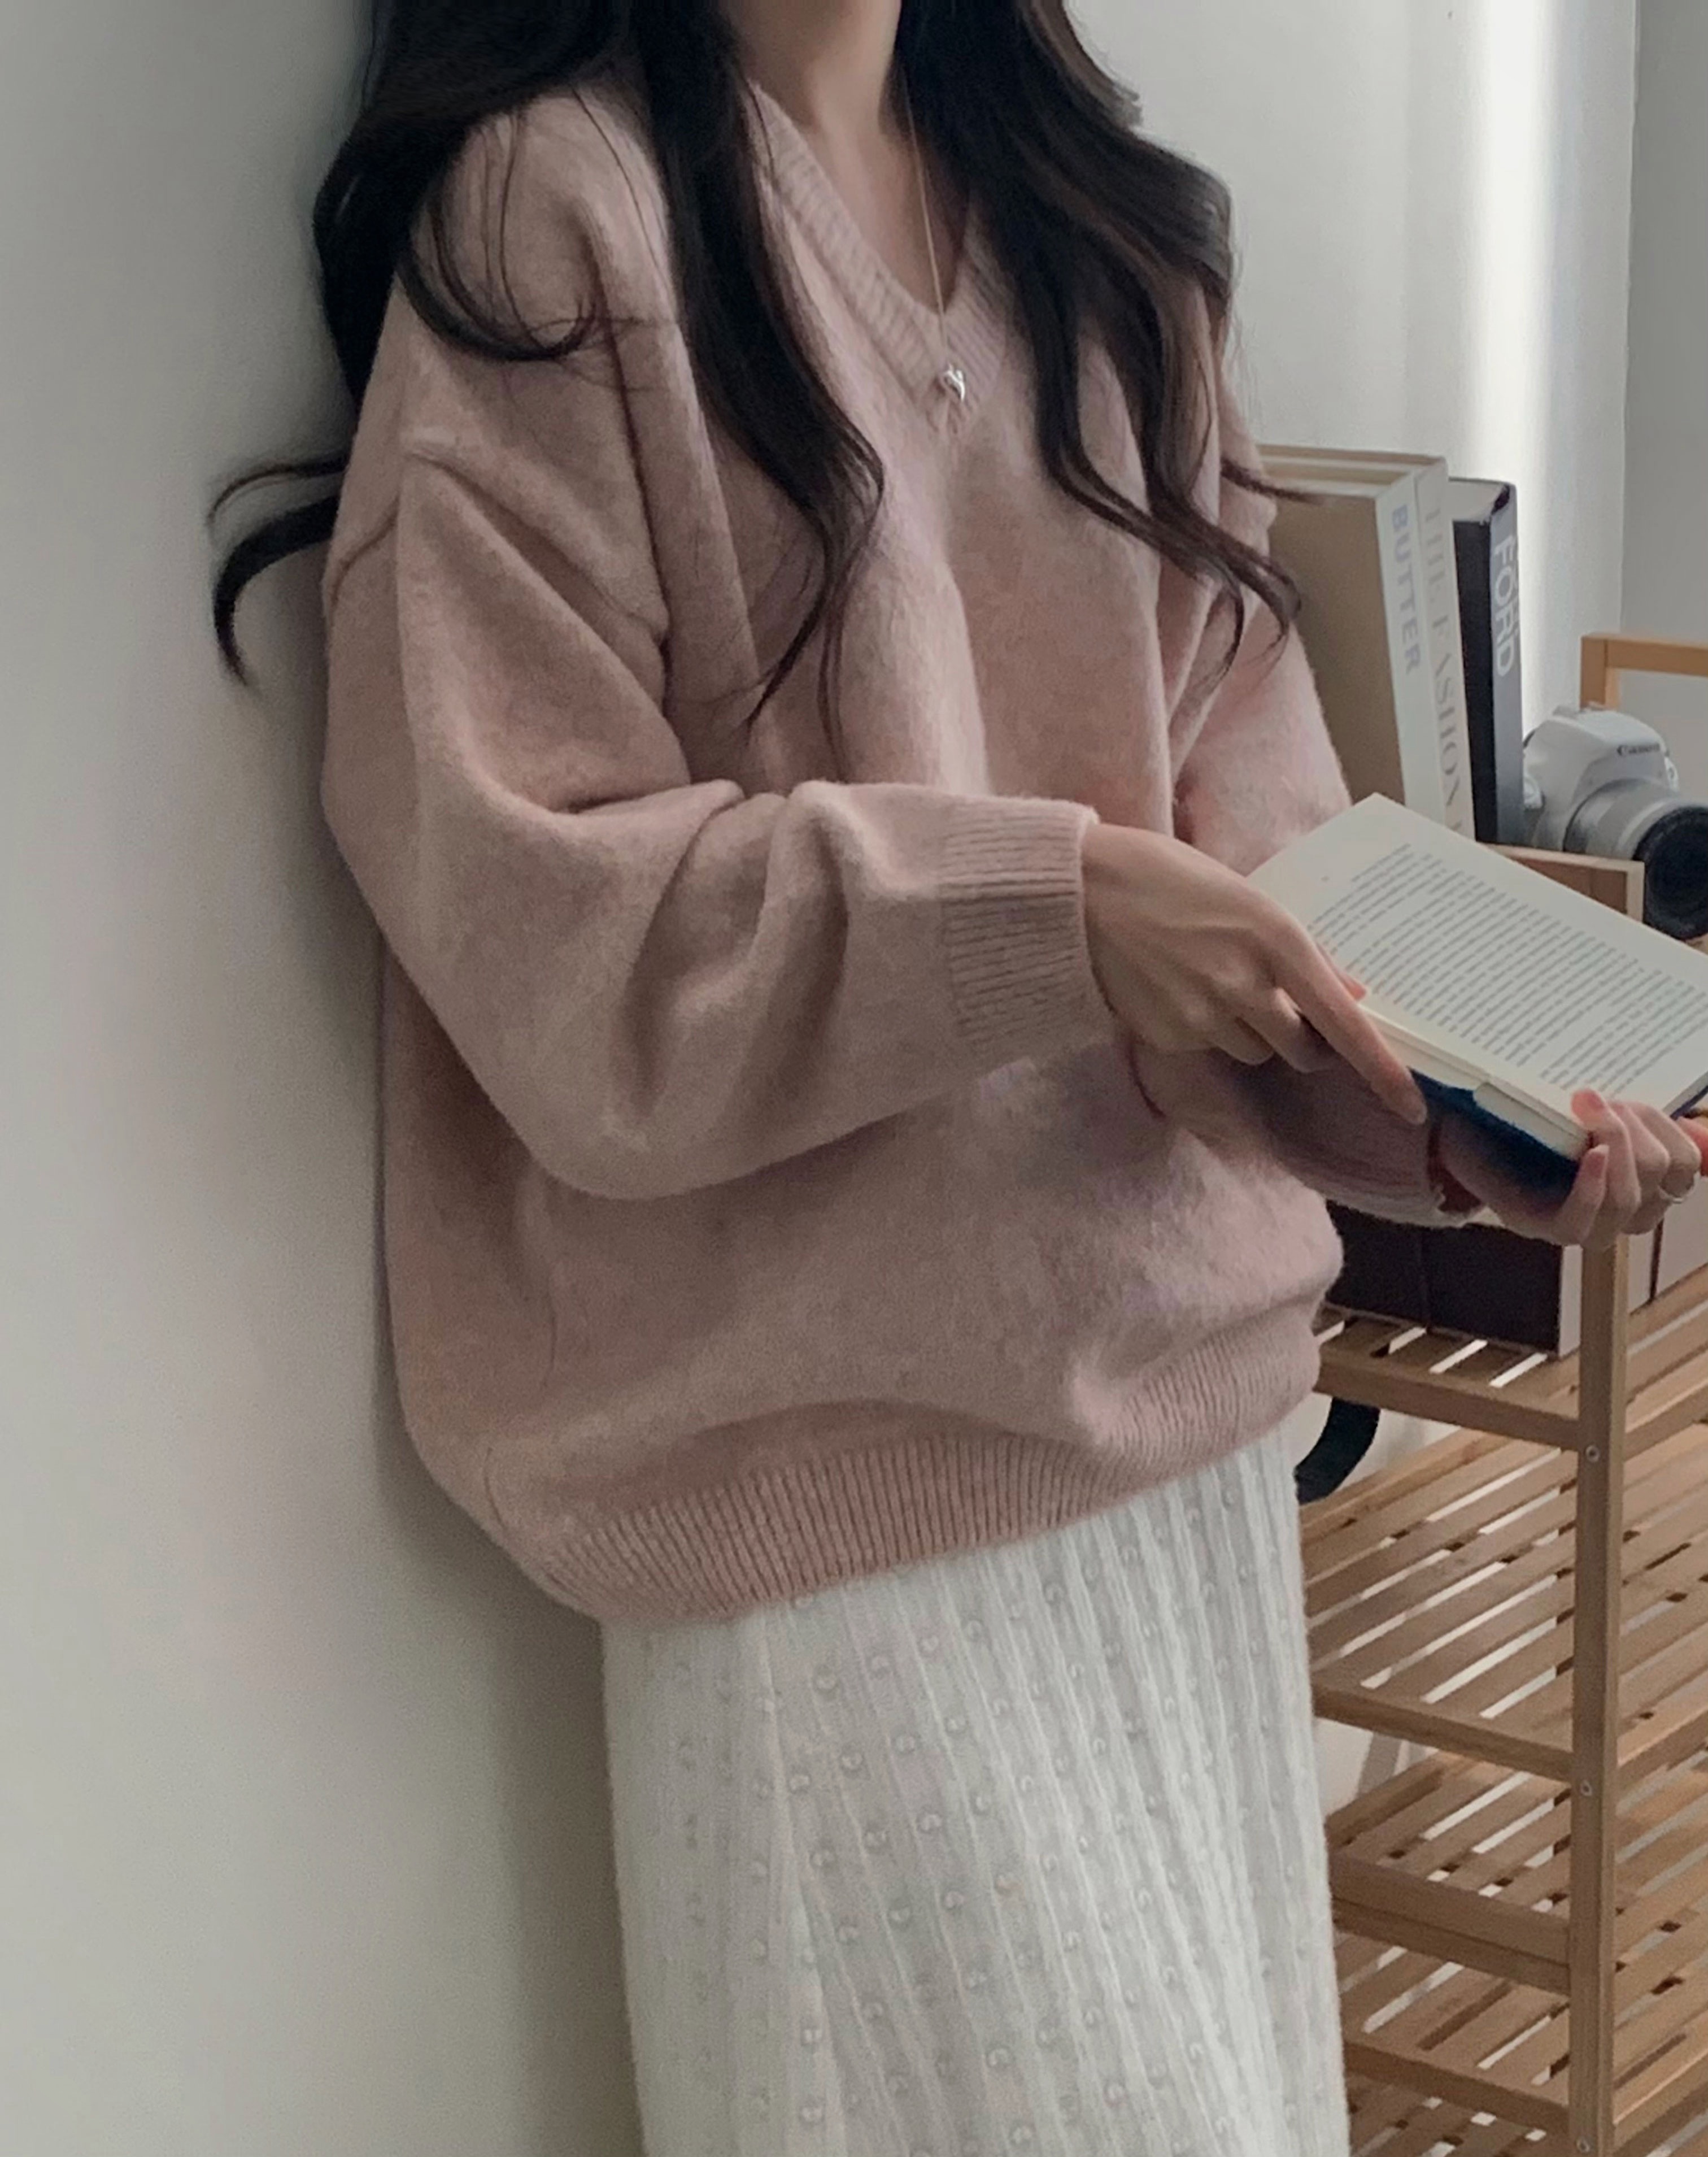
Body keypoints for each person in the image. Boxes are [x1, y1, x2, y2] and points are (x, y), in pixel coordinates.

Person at [216, 2, 1707, 2151]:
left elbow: (1269, 865)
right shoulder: (568, 215)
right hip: (833, 1535)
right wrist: (1055, 909)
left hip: (1182, 1476)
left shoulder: (1108, 237)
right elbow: (550, 937)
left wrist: (1466, 1121)